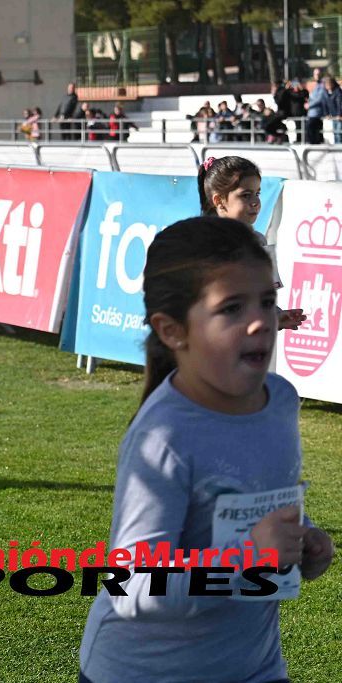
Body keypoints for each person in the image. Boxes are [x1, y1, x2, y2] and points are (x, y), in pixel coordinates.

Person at [78, 216, 335, 683]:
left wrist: (305, 541)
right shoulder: (164, 437)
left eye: (267, 301)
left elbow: (262, 505)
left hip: (255, 667)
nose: (261, 320)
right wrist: (249, 562)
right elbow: (132, 588)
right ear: (174, 331)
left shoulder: (280, 401)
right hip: (146, 673)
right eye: (232, 308)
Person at [197, 155, 305, 331]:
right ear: (219, 201)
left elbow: (260, 296)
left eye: (257, 193)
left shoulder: (258, 241)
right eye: (245, 195)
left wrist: (275, 316)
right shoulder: (204, 242)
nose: (255, 202)